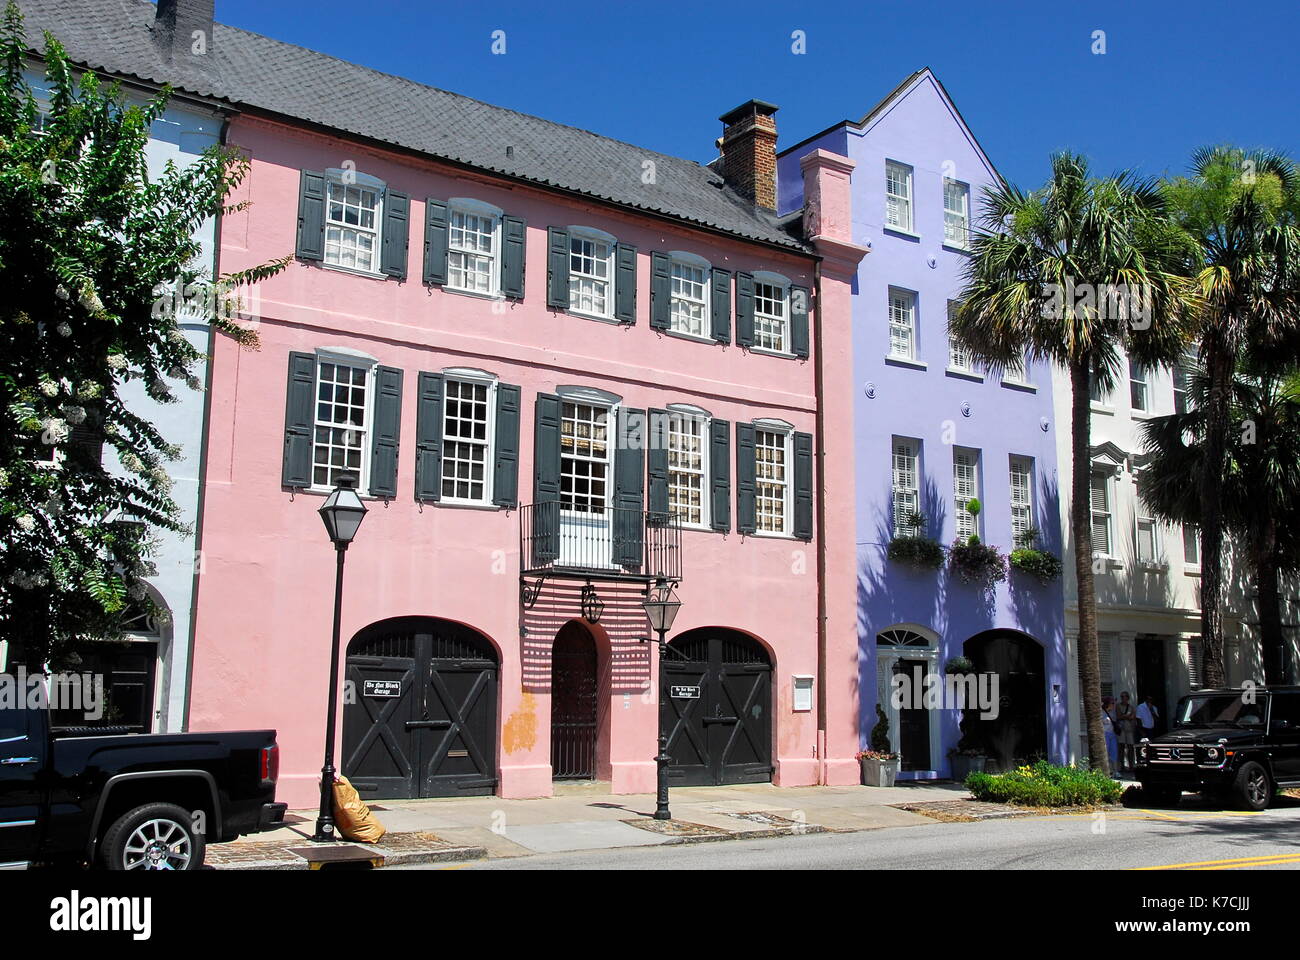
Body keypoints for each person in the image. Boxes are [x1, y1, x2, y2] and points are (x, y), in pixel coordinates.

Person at [1115, 691, 1137, 772]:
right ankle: (1122, 765)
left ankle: (1131, 765)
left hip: (1129, 729)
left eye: (1125, 696)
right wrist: (1127, 716)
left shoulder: (1131, 707)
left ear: (1128, 698)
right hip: (1122, 729)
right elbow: (1119, 716)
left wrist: (1125, 716)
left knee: (1130, 747)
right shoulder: (1118, 706)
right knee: (1121, 747)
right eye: (1122, 696)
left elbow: (1133, 717)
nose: (1123, 698)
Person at [1101, 696, 1119, 773]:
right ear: (1107, 704)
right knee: (1106, 752)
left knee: (1114, 752)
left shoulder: (1113, 712)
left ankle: (1116, 771)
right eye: (1112, 703)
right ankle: (1107, 770)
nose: (1113, 704)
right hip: (1105, 734)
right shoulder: (1101, 712)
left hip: (1112, 734)